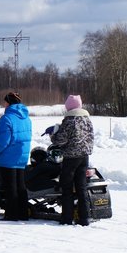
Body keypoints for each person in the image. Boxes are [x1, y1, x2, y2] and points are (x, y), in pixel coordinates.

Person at [49, 94, 94, 226]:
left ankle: (67, 218)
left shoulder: (69, 120)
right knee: (81, 187)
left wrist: (53, 134)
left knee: (67, 188)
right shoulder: (87, 119)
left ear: (68, 107)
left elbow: (61, 140)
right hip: (84, 157)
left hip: (71, 157)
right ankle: (85, 218)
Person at [0, 92, 32, 221]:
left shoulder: (6, 118)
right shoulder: (26, 118)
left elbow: (3, 141)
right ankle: (23, 213)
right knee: (21, 186)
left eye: (5, 102)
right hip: (22, 156)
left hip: (8, 157)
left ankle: (12, 214)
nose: (4, 104)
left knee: (10, 187)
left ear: (9, 102)